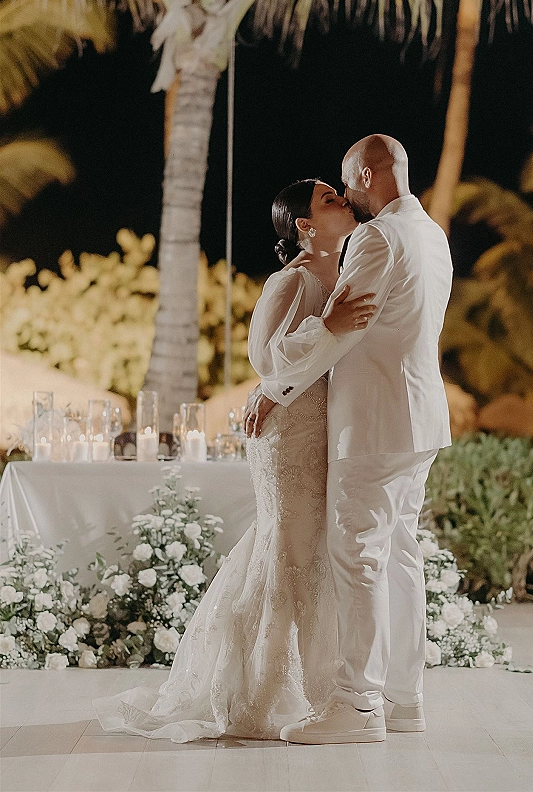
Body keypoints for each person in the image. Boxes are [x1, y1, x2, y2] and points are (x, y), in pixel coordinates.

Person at [93, 179, 371, 742]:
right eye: (329, 200)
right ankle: (254, 695)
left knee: (304, 550)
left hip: (319, 426)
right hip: (286, 431)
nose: (343, 200)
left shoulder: (341, 274)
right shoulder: (290, 280)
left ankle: (313, 689)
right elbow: (265, 358)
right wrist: (329, 327)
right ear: (305, 226)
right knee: (288, 547)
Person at [244, 135, 453, 744]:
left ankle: (358, 706)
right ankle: (405, 699)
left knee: (357, 558)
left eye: (347, 183)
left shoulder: (376, 238)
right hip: (419, 420)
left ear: (366, 172)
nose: (348, 197)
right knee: (402, 557)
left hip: (375, 424)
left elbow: (342, 331)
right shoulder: (432, 234)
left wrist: (274, 387)